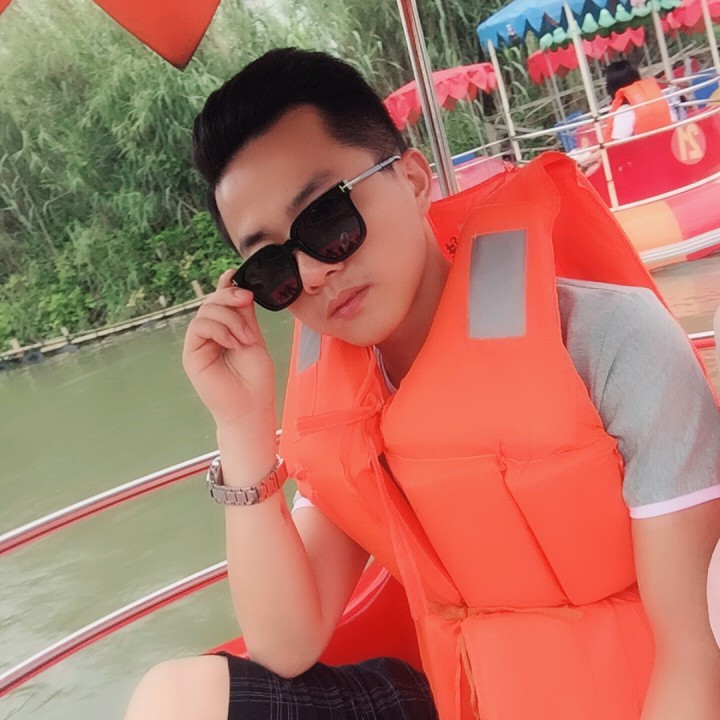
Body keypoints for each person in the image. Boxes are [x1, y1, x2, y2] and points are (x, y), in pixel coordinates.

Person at [123, 48, 720, 720]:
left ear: (411, 180)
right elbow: (284, 644)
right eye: (271, 267)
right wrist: (240, 425)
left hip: (635, 697)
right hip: (459, 696)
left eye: (327, 221)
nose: (313, 275)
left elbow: (695, 656)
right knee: (178, 700)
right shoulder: (345, 408)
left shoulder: (612, 342)